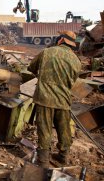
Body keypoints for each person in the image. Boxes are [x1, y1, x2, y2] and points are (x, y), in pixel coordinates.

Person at [27, 31, 81, 168]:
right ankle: (63, 156)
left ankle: (43, 162)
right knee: (64, 129)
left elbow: (31, 67)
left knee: (44, 129)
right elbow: (72, 81)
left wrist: (41, 75)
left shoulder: (47, 52)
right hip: (63, 100)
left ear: (61, 40)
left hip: (45, 98)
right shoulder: (76, 60)